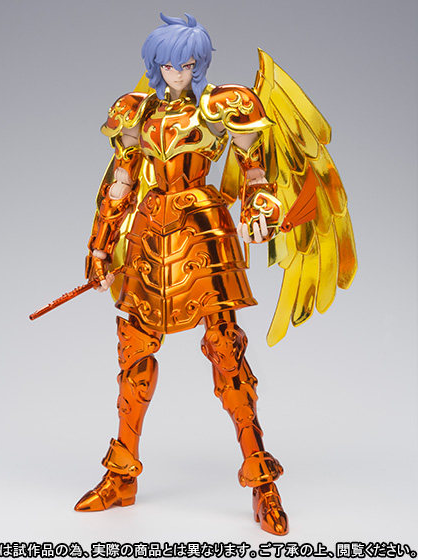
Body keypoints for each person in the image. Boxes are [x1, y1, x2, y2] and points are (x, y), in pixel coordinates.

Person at [73, 13, 357, 537]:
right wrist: (99, 245)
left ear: (199, 63)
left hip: (203, 234)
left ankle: (262, 483)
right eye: (167, 64)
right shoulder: (135, 111)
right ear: (155, 65)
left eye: (186, 63)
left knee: (227, 354)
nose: (177, 72)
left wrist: (260, 205)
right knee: (133, 357)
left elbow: (255, 170)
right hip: (147, 238)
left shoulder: (221, 106)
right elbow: (120, 182)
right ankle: (121, 476)